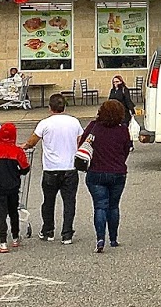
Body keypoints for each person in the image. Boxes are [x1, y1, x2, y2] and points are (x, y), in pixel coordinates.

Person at [23, 94, 83, 244]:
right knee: (69, 201)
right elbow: (79, 139)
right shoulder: (74, 122)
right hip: (70, 167)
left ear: (50, 108)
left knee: (48, 201)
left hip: (51, 168)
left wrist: (23, 147)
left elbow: (32, 141)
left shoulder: (45, 124)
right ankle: (67, 233)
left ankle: (48, 230)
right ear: (64, 107)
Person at [82, 99, 133, 254]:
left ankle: (100, 239)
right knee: (113, 206)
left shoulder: (94, 127)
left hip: (96, 172)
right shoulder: (123, 129)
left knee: (100, 206)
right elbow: (126, 150)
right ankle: (113, 238)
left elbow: (82, 144)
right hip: (117, 172)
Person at [0, 122, 30, 253]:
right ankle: (15, 237)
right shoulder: (17, 151)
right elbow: (25, 168)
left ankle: (3, 242)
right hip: (13, 186)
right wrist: (17, 173)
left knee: (1, 213)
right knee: (13, 211)